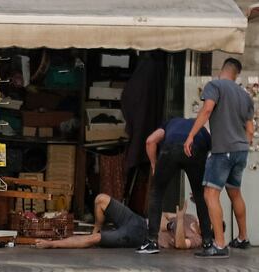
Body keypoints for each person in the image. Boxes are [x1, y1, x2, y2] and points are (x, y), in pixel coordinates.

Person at [184, 58, 254, 258]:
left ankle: (220, 244)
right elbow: (250, 129)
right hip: (240, 151)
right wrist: (241, 146)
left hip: (223, 150)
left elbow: (207, 110)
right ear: (237, 74)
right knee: (235, 193)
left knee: (210, 194)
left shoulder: (215, 85)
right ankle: (242, 238)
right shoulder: (245, 95)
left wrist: (191, 136)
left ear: (223, 69)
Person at [137, 118, 213, 254]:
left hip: (170, 149)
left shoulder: (169, 124)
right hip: (195, 149)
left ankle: (151, 242)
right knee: (200, 196)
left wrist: (154, 166)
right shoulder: (201, 129)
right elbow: (211, 155)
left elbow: (150, 141)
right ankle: (208, 242)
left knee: (156, 193)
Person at [35, 194, 201, 250]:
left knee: (95, 240)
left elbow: (179, 244)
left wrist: (177, 222)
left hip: (139, 236)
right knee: (100, 199)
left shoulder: (197, 239)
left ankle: (53, 244)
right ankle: (96, 228)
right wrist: (170, 222)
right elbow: (163, 215)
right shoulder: (191, 218)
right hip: (139, 221)